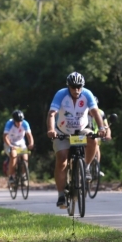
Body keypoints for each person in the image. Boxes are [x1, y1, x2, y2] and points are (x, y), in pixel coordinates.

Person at [47, 72, 109, 208]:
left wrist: (101, 128)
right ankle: (61, 195)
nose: (76, 90)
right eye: (73, 87)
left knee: (93, 139)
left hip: (81, 129)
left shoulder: (87, 94)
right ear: (68, 86)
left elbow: (95, 112)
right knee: (62, 159)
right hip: (62, 131)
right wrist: (51, 130)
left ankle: (85, 167)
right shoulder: (61, 94)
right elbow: (52, 114)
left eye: (79, 87)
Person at [3, 110, 34, 184]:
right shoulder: (9, 124)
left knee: (25, 158)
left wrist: (31, 143)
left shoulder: (25, 123)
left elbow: (29, 135)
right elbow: (5, 137)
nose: (19, 123)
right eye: (17, 121)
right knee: (13, 156)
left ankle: (23, 176)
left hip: (20, 144)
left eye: (20, 121)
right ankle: (11, 176)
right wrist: (10, 145)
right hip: (10, 143)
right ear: (14, 120)